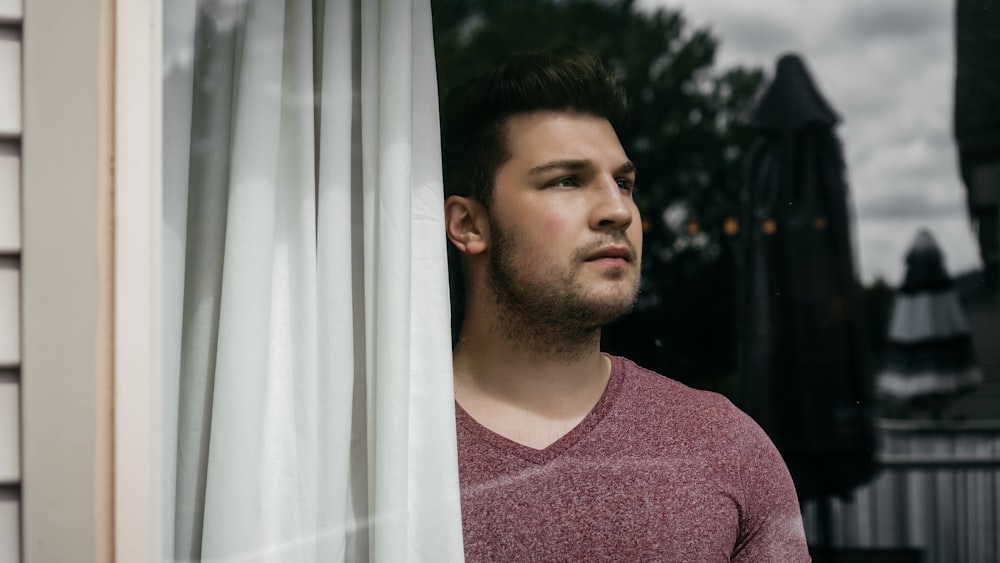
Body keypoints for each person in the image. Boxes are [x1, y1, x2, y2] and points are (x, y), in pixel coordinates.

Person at [441, 48, 811, 562]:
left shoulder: (725, 447)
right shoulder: (379, 449)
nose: (618, 209)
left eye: (624, 183)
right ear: (468, 225)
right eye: (566, 180)